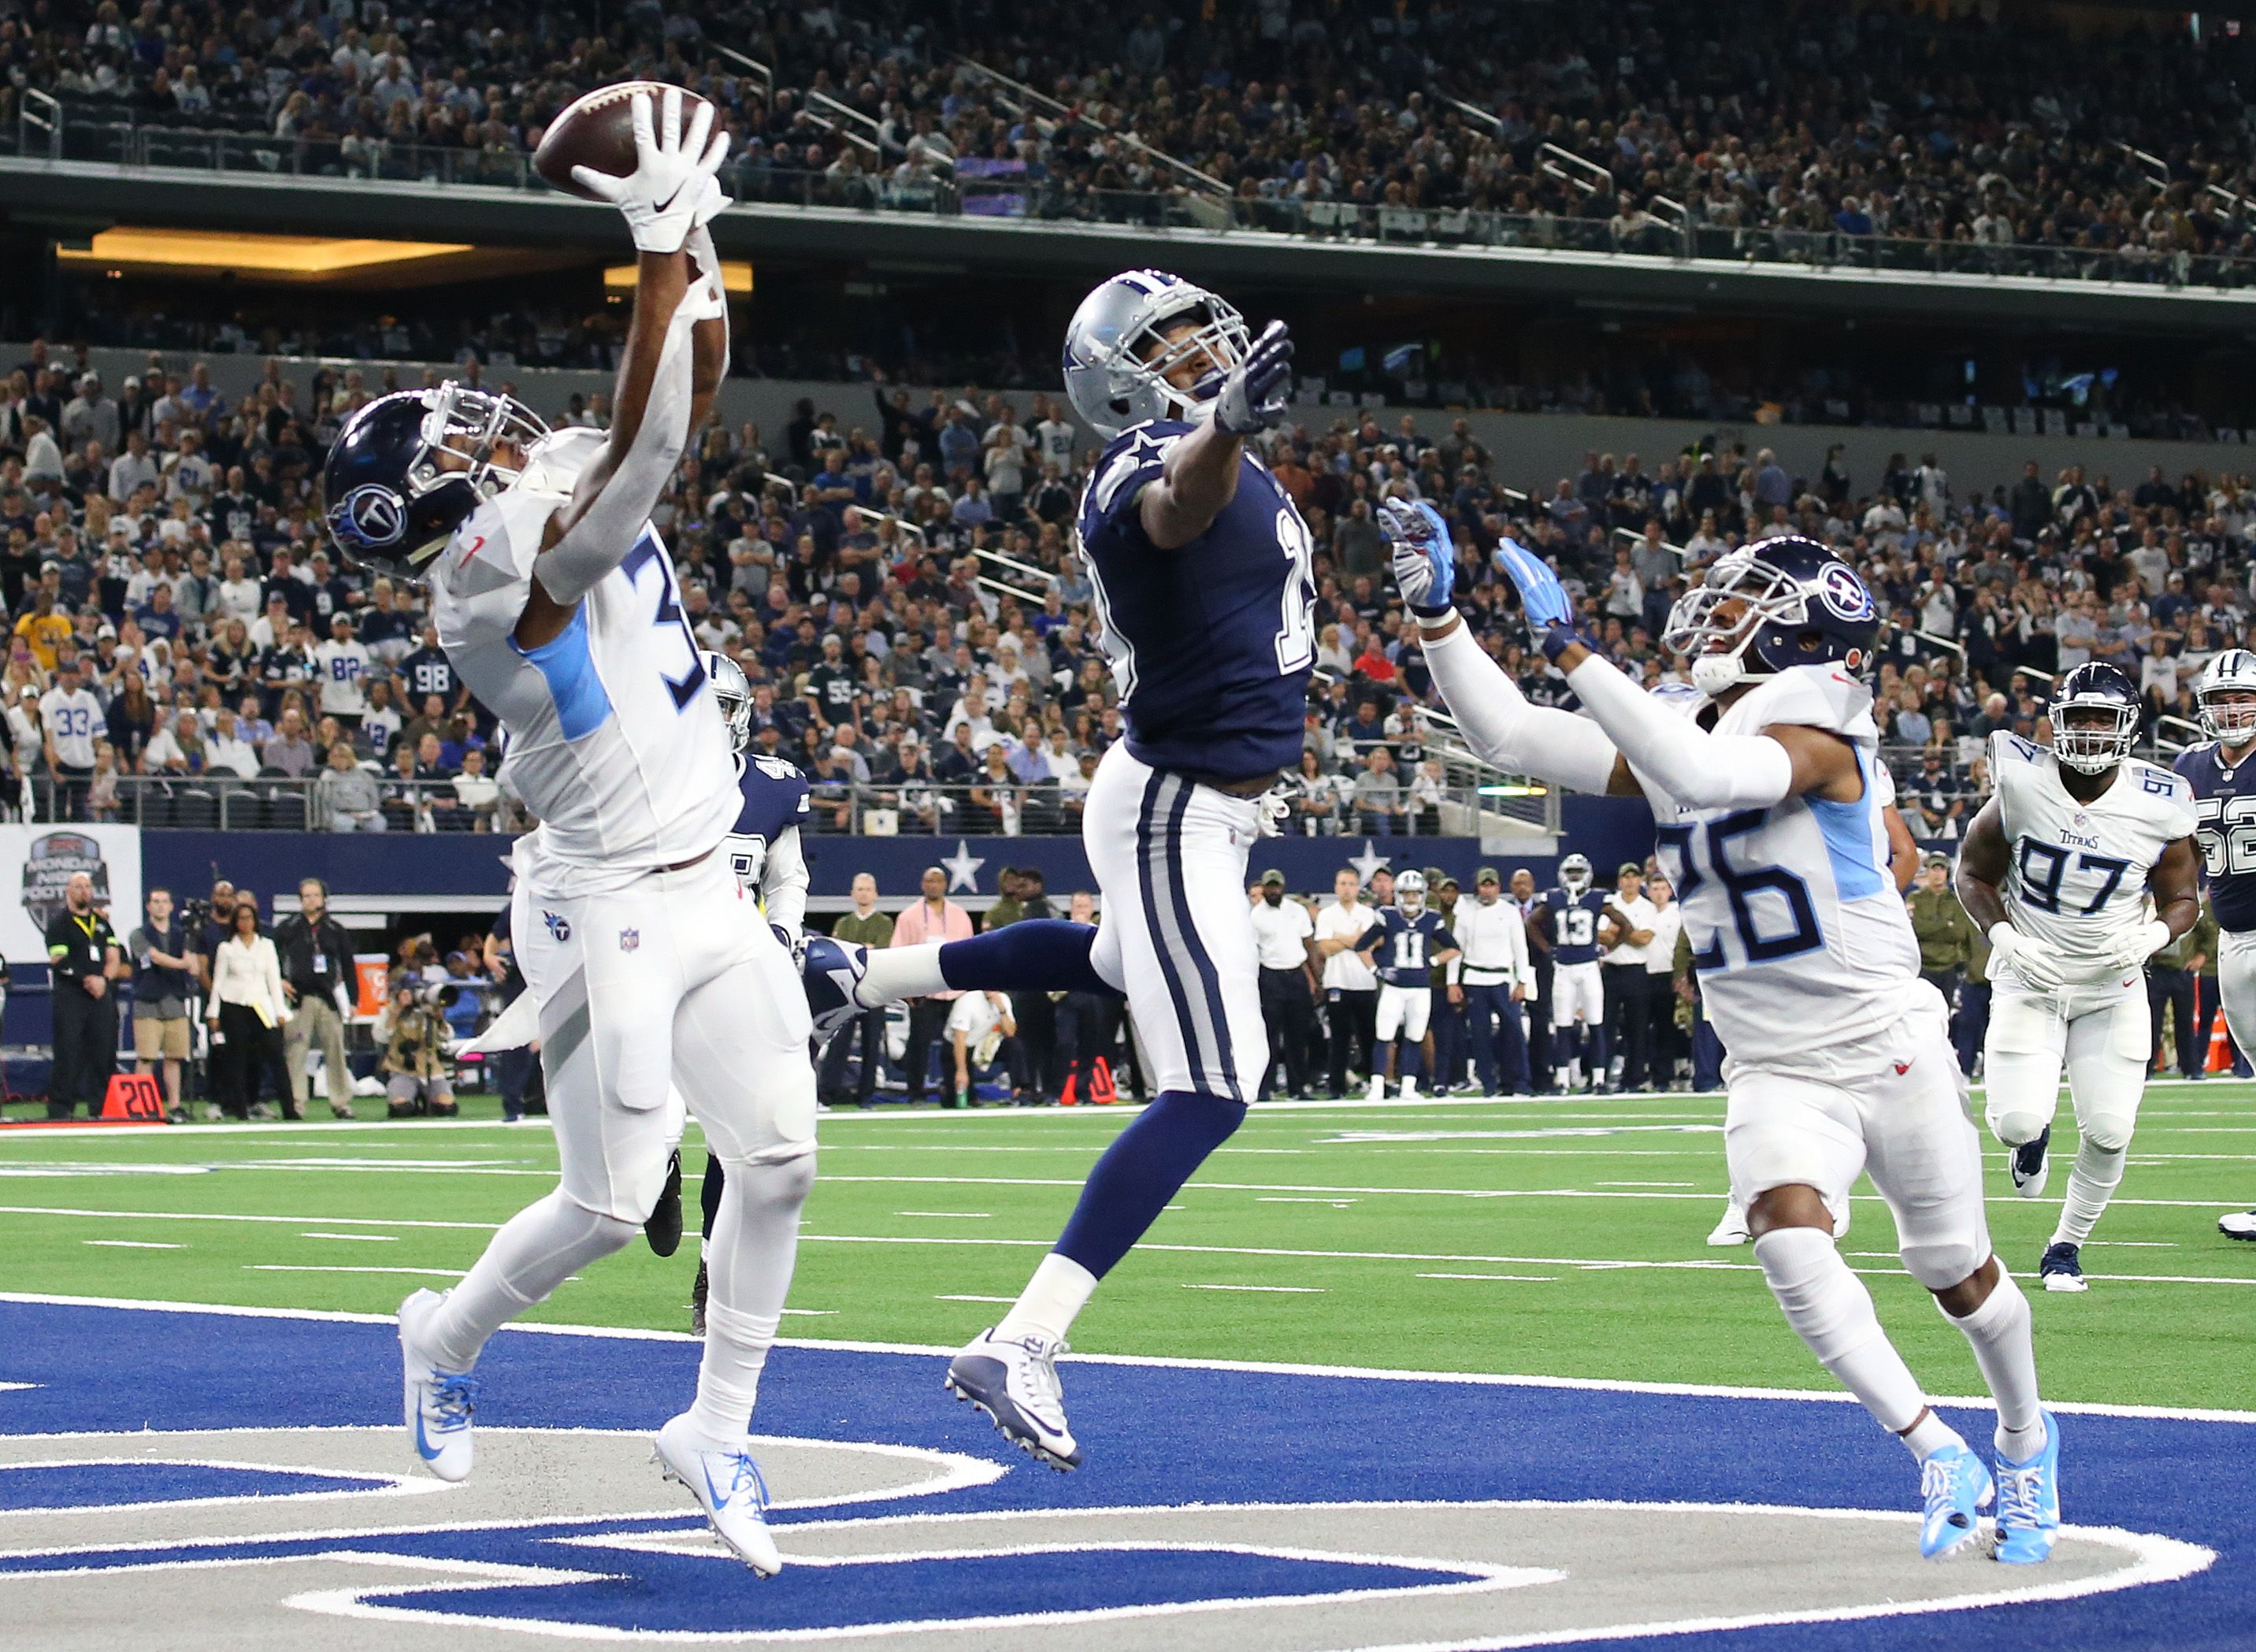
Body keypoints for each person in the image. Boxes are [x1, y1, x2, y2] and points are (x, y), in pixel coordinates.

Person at [323, 91, 807, 1574]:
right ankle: (441, 1336)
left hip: (704, 870)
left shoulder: (523, 485)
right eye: (455, 437)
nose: (486, 425)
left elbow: (696, 379)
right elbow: (646, 469)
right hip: (600, 897)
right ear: (431, 505)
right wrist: (651, 231)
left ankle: (715, 1429)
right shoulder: (479, 581)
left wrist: (696, 220)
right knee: (614, 1200)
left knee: (779, 1157)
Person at [1390, 505, 2060, 1565]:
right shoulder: (1679, 724)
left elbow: (1710, 779)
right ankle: (1938, 1449)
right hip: (1774, 1059)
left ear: (1799, 631)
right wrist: (1436, 619)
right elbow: (1510, 735)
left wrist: (1573, 649)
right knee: (1787, 1234)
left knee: (1956, 1271)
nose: (1713, 612)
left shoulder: (1820, 727)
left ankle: (2027, 1435)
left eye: (1744, 600)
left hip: (1882, 1037)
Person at [937, 265, 1304, 1470]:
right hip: (1177, 805)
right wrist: (1226, 424)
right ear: (1120, 374)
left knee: (1108, 959)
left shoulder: (1225, 450)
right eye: (1175, 338)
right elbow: (1175, 511)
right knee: (1214, 1083)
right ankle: (1024, 1339)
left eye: (1206, 329)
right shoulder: (1142, 462)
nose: (1205, 347)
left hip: (1208, 808)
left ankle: (862, 978)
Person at [1955, 663, 2199, 1294]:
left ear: (2129, 727)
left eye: (2103, 718)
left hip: (2111, 984)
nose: (2090, 731)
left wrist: (2153, 935)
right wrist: (2002, 934)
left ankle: (2065, 1245)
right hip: (2029, 976)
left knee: (2112, 1129)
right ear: (2055, 722)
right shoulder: (2021, 780)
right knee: (2013, 1121)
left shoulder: (2160, 799)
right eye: (2079, 717)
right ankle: (2030, 1141)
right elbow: (1972, 874)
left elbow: (2182, 897)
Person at [2173, 650, 2256, 1240]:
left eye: (2243, 697)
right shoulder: (2190, 765)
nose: (2232, 709)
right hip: (2233, 935)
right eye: (2222, 698)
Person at [1353, 868, 1460, 1100]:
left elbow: (1454, 948)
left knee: (1415, 1036)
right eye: (1406, 894)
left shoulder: (1432, 919)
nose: (1411, 899)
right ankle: (1378, 1086)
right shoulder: (1387, 916)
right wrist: (1376, 970)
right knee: (1384, 1036)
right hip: (1394, 987)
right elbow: (1361, 946)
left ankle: (1408, 1087)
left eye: (1415, 894)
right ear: (1398, 895)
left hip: (1421, 988)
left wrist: (1432, 961)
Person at [273, 876, 358, 1119]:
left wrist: (353, 1000)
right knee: (296, 1052)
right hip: (299, 997)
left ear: (323, 898)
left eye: (316, 895)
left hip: (327, 997)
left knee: (335, 1051)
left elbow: (348, 965)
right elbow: (272, 958)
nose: (312, 900)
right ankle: (296, 1104)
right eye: (307, 896)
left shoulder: (334, 930)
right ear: (300, 900)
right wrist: (279, 980)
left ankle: (341, 1102)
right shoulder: (288, 928)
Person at [206, 893, 294, 1120]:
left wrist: (280, 1010)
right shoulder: (226, 948)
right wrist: (213, 1012)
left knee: (275, 1056)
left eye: (249, 918)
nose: (245, 923)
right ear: (235, 922)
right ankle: (240, 1109)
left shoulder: (266, 946)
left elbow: (274, 979)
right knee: (237, 1058)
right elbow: (218, 982)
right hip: (234, 1005)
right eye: (241, 918)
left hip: (261, 1005)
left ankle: (289, 1108)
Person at [43, 870, 121, 1119]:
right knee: (69, 1050)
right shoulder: (60, 924)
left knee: (103, 1051)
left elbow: (113, 956)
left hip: (100, 997)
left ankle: (101, 1107)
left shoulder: (101, 923)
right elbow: (58, 959)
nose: (84, 891)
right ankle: (61, 1107)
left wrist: (105, 979)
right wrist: (86, 980)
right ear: (68, 890)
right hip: (71, 996)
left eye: (87, 886)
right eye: (78, 886)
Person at [892, 866, 974, 1102]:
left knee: (956, 1045)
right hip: (924, 991)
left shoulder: (960, 915)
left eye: (938, 881)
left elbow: (970, 952)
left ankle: (954, 1094)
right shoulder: (909, 916)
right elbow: (898, 953)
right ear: (922, 885)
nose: (933, 885)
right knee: (919, 1046)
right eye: (929, 881)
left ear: (945, 885)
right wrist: (905, 989)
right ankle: (915, 1094)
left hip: (954, 991)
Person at [1534, 853, 1612, 1091]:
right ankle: (1563, 1079)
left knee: (1596, 1023)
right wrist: (1548, 949)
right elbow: (1531, 923)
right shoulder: (1554, 898)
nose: (1575, 877)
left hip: (1589, 967)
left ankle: (1599, 1079)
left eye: (1579, 872)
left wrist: (1608, 949)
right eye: (1571, 873)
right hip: (1564, 969)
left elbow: (1626, 925)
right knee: (1563, 1025)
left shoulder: (1598, 898)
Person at [1452, 867, 1534, 1095]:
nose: (1487, 890)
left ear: (1498, 887)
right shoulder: (1467, 914)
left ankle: (1519, 1081)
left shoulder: (1508, 913)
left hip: (1502, 978)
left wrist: (1522, 981)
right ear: (1477, 887)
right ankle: (1488, 1083)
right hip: (1475, 978)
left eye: (1491, 885)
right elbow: (1456, 950)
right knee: (1480, 1035)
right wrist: (1453, 982)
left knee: (1514, 1031)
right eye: (1483, 886)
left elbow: (1520, 949)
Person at [824, 874, 895, 1109]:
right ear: (852, 893)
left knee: (871, 1044)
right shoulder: (844, 923)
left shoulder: (884, 922)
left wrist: (858, 951)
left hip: (874, 990)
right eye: (860, 889)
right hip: (845, 993)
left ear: (875, 893)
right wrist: (864, 949)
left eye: (868, 889)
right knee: (838, 1044)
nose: (864, 893)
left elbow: (879, 952)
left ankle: (866, 1096)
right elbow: (839, 954)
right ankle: (826, 1093)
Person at [127, 885, 196, 1124]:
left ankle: (175, 1105)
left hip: (175, 1000)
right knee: (146, 1057)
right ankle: (140, 1105)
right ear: (148, 906)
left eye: (164, 901)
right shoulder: (139, 934)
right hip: (148, 1000)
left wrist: (190, 961)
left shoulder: (181, 935)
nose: (160, 905)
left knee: (174, 1056)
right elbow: (153, 956)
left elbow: (194, 964)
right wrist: (182, 964)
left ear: (171, 906)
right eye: (155, 901)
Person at [1249, 869, 1318, 1099]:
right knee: (1268, 1036)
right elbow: (1252, 952)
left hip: (1296, 975)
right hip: (1270, 976)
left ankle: (1297, 1087)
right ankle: (1265, 1088)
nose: (1273, 891)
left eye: (1276, 886)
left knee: (1297, 1036)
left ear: (1283, 887)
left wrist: (1318, 980)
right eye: (1269, 887)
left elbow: (1309, 945)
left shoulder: (1297, 911)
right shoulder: (1256, 915)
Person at [1315, 867, 1380, 1097]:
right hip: (1337, 983)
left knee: (1369, 1037)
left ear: (1357, 888)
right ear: (1336, 887)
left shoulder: (1368, 913)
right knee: (1339, 1039)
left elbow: (1373, 943)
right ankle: (1337, 1088)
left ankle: (1376, 1084)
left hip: (1365, 982)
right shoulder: (1327, 914)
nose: (1347, 888)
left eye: (1351, 884)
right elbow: (1325, 948)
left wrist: (1339, 936)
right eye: (1342, 884)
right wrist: (1354, 939)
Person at [1597, 863, 1658, 1092]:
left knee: (1637, 1027)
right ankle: (1601, 1076)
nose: (1630, 882)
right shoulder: (1609, 903)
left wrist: (1619, 931)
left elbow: (1645, 938)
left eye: (1634, 877)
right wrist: (1630, 932)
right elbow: (1601, 936)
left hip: (1636, 970)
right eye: (1626, 877)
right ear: (1620, 881)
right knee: (1605, 1025)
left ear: (1640, 880)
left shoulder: (1647, 907)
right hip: (1611, 970)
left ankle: (1633, 1078)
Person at [378, 975, 458, 1117]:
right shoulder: (391, 1010)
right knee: (401, 1110)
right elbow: (381, 1036)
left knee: (446, 1108)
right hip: (402, 1069)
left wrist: (439, 1019)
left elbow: (447, 1037)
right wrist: (397, 1011)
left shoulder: (430, 1011)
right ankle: (410, 1100)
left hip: (431, 1069)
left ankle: (429, 1100)